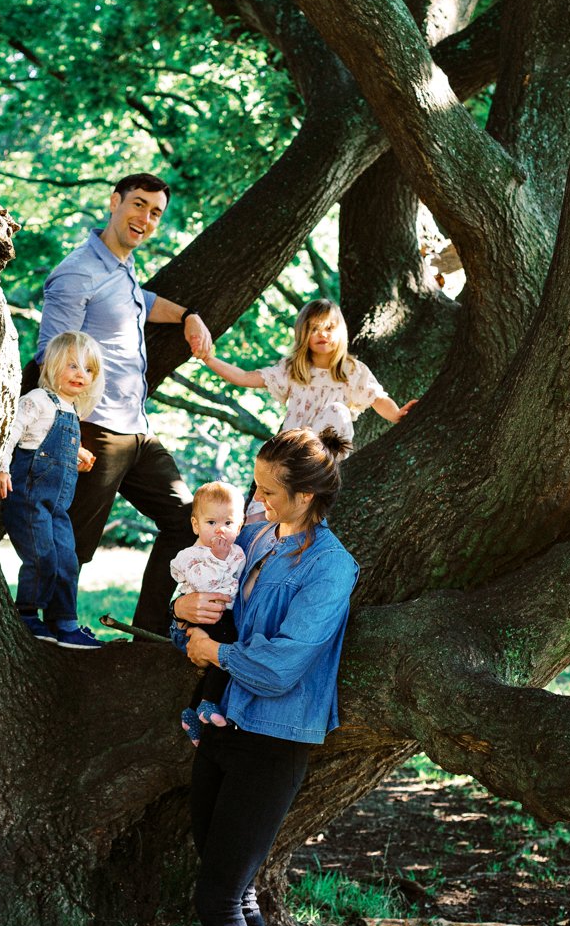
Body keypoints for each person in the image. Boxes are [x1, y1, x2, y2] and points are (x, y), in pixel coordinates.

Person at [154, 427, 359, 926]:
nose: (253, 499)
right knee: (233, 895)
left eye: (267, 490)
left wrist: (212, 647)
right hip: (222, 725)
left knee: (219, 900)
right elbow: (213, 614)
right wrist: (183, 620)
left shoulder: (331, 568)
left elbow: (277, 666)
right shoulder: (260, 541)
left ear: (305, 496)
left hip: (274, 740)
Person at [24, 173, 212, 634]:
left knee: (186, 523)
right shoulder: (77, 272)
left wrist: (187, 315)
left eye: (155, 213)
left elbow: (139, 302)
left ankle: (146, 631)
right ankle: (50, 632)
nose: (145, 218)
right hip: (93, 428)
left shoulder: (120, 269)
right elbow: (52, 354)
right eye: (138, 205)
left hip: (136, 431)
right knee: (73, 541)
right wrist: (64, 434)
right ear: (114, 202)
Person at [0, 332, 105, 650]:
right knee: (42, 556)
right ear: (53, 364)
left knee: (67, 560)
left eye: (88, 370)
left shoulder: (70, 411)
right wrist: (2, 468)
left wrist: (77, 457)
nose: (80, 374)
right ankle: (27, 613)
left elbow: (56, 448)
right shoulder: (37, 401)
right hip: (29, 498)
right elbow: (10, 433)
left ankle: (64, 622)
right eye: (72, 365)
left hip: (57, 507)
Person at [203, 298, 417, 454]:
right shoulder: (293, 369)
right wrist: (208, 359)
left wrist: (397, 414)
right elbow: (245, 377)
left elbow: (377, 398)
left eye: (329, 328)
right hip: (293, 449)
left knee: (337, 410)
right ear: (303, 333)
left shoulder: (351, 370)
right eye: (314, 328)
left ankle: (311, 448)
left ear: (340, 332)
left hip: (326, 452)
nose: (322, 334)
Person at [170, 481, 246, 744]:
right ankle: (207, 704)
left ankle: (194, 711)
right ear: (195, 525)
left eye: (228, 523)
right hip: (193, 621)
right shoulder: (191, 555)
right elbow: (203, 585)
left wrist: (225, 557)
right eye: (211, 522)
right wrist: (217, 558)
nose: (219, 531)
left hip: (220, 619)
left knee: (224, 656)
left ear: (239, 525)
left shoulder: (236, 553)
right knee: (226, 653)